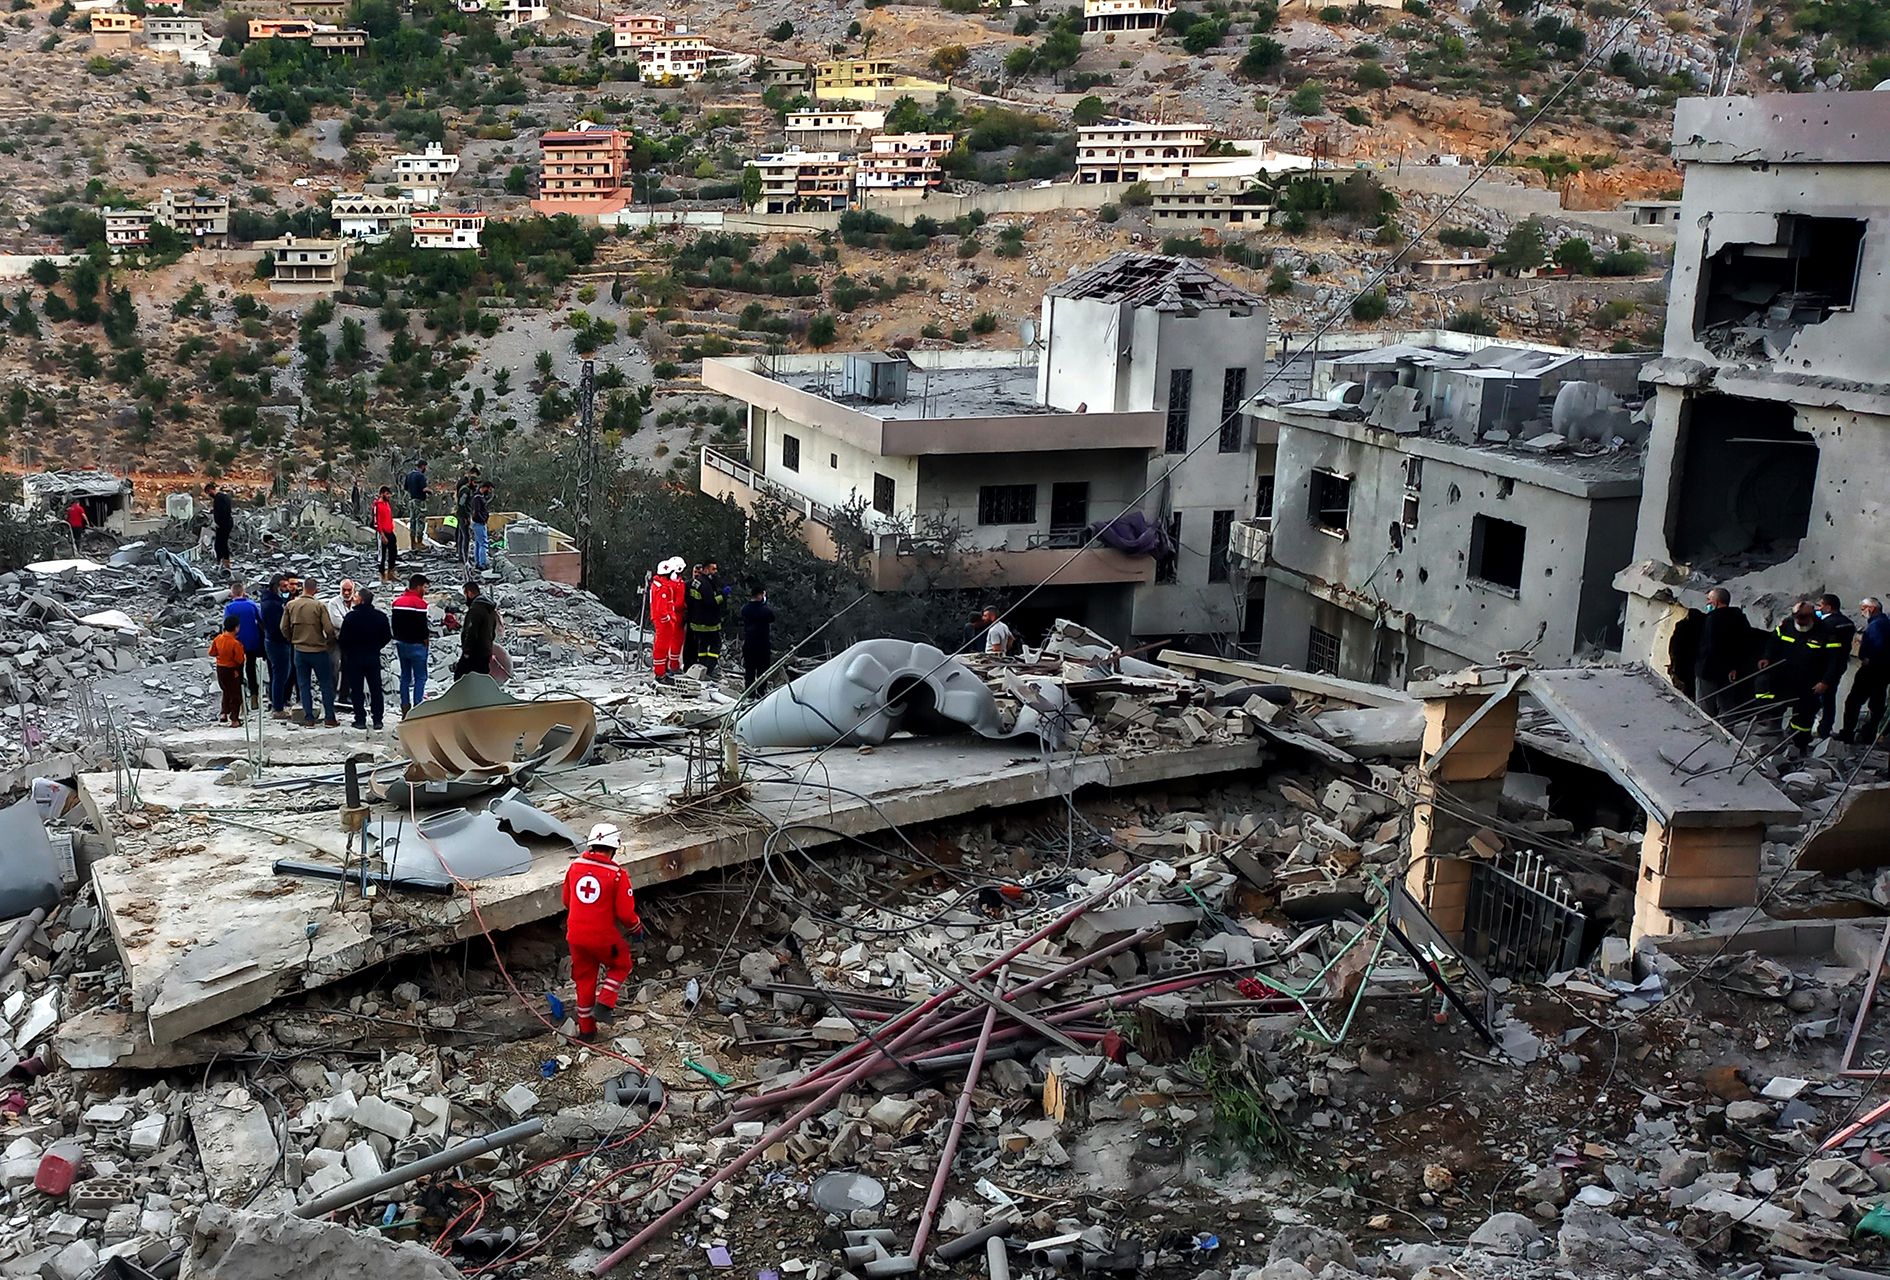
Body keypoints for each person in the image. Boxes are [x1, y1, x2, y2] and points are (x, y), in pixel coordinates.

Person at [562, 822, 643, 1042]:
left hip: (575, 936)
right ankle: (606, 1003)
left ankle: (587, 1031)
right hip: (602, 937)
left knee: (584, 979)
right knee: (622, 963)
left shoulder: (574, 867)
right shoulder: (617, 874)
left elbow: (566, 900)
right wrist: (637, 929)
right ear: (614, 848)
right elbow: (625, 914)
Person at [1757, 597, 1840, 751]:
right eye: (1796, 617)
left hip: (1810, 682)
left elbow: (1835, 661)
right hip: (1785, 677)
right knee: (1769, 696)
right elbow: (1773, 641)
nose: (1799, 621)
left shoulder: (1826, 632)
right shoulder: (1787, 625)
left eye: (1803, 618)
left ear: (1812, 616)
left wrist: (1826, 681)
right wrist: (1766, 657)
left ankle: (1799, 745)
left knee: (1803, 717)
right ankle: (1772, 730)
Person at [281, 577, 339, 727]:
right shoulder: (319, 606)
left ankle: (308, 719)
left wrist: (292, 639)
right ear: (316, 589)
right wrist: (328, 643)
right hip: (318, 650)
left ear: (303, 588)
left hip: (299, 650)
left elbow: (283, 628)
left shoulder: (291, 605)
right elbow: (329, 629)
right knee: (326, 684)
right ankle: (330, 718)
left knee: (304, 685)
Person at [1692, 587, 1754, 720]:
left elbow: (1711, 647)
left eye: (1709, 600)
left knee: (1704, 705)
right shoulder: (1739, 617)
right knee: (1727, 705)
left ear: (1716, 602)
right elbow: (1745, 644)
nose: (1707, 603)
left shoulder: (1712, 620)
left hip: (1707, 670)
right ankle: (1727, 729)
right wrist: (1734, 667)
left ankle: (1704, 728)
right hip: (1730, 672)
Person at [339, 587, 392, 730]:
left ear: (361, 600)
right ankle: (378, 720)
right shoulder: (380, 616)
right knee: (376, 689)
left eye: (355, 596)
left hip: (354, 658)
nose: (353, 598)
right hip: (373, 656)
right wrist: (376, 646)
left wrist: (348, 650)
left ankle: (360, 719)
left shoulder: (351, 617)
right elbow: (387, 636)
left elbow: (343, 639)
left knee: (356, 689)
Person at [1843, 597, 1890, 745]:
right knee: (1877, 703)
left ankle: (1848, 734)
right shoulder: (1884, 623)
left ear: (1871, 609)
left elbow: (1878, 646)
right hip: (1883, 671)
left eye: (1863, 608)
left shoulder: (1877, 625)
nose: (1862, 612)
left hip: (1872, 671)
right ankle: (1868, 734)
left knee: (1853, 702)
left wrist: (1869, 659)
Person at [1813, 593, 1857, 739]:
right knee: (1829, 699)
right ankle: (1825, 729)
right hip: (1839, 666)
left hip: (1822, 668)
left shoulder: (1827, 625)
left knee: (1817, 699)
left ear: (1828, 607)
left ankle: (1817, 731)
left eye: (1820, 605)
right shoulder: (1847, 622)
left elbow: (1825, 649)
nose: (1818, 608)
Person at [390, 573, 432, 713]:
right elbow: (422, 626)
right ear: (418, 586)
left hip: (401, 644)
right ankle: (418, 708)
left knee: (405, 677)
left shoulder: (397, 603)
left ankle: (405, 707)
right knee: (420, 677)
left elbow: (394, 624)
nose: (425, 591)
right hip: (417, 645)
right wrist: (426, 640)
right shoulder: (420, 604)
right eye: (425, 587)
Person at [223, 582, 266, 714]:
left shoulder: (229, 608)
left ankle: (242, 703)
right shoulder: (252, 605)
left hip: (237, 643)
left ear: (232, 593)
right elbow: (261, 621)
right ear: (243, 592)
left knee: (238, 671)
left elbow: (226, 625)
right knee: (251, 668)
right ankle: (254, 696)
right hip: (253, 642)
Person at [261, 575, 296, 718]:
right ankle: (278, 707)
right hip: (278, 643)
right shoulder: (273, 605)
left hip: (273, 641)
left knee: (280, 674)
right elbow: (278, 627)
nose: (287, 589)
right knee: (280, 675)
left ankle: (277, 703)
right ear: (276, 586)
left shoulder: (271, 601)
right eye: (284, 586)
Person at [685, 563, 724, 676]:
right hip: (709, 622)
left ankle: (701, 667)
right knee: (715, 645)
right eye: (713, 569)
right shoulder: (705, 584)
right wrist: (724, 596)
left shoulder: (693, 583)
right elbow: (710, 602)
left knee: (702, 646)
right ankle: (709, 669)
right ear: (706, 569)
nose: (715, 571)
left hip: (697, 621)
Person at [649, 557, 685, 681]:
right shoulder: (663, 588)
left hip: (664, 619)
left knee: (664, 646)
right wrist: (668, 619)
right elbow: (662, 607)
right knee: (662, 647)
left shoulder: (661, 585)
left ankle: (662, 670)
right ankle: (660, 674)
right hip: (665, 621)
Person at [454, 581, 499, 680]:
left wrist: (467, 651)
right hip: (485, 651)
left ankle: (463, 696)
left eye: (465, 594)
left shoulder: (476, 609)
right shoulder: (489, 608)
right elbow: (493, 631)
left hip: (474, 652)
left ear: (469, 593)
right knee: (482, 679)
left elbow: (471, 631)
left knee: (460, 678)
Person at [209, 617, 246, 727]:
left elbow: (212, 652)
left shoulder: (218, 639)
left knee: (226, 691)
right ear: (236, 628)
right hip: (232, 670)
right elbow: (239, 660)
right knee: (235, 695)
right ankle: (234, 719)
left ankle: (223, 713)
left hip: (220, 669)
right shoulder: (235, 643)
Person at [740, 583, 775, 692]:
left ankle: (749, 693)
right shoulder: (765, 610)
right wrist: (764, 604)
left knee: (749, 671)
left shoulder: (745, 609)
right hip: (762, 645)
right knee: (762, 671)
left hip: (749, 643)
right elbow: (771, 617)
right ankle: (761, 692)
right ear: (760, 595)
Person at [373, 485, 398, 583]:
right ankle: (382, 574)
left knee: (393, 552)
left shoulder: (386, 504)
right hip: (382, 532)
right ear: (382, 494)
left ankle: (391, 572)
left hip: (390, 531)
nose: (389, 496)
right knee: (382, 554)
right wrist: (382, 534)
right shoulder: (377, 505)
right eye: (387, 494)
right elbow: (377, 521)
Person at [403, 459, 429, 547]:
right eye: (425, 467)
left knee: (412, 521)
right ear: (422, 466)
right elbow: (424, 489)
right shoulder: (421, 476)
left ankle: (412, 542)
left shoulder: (409, 475)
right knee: (420, 521)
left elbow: (406, 488)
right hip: (419, 501)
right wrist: (430, 491)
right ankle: (419, 542)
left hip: (411, 500)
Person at [208, 482, 234, 569]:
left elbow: (222, 512)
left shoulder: (218, 498)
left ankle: (222, 563)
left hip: (223, 525)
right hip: (227, 523)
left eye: (208, 492)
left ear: (211, 490)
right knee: (223, 544)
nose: (209, 495)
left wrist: (219, 523)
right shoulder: (224, 497)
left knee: (220, 544)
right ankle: (225, 562)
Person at [453, 470, 475, 565]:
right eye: (474, 483)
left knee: (461, 536)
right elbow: (462, 504)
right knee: (466, 537)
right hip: (463, 516)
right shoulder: (465, 490)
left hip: (461, 515)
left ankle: (461, 556)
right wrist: (466, 517)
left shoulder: (463, 489)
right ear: (470, 482)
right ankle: (464, 557)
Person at [470, 481, 492, 571]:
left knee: (478, 543)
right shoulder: (477, 498)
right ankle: (482, 563)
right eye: (489, 489)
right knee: (483, 543)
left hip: (478, 523)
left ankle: (478, 562)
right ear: (485, 488)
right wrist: (483, 520)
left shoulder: (478, 497)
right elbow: (476, 512)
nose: (489, 491)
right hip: (479, 523)